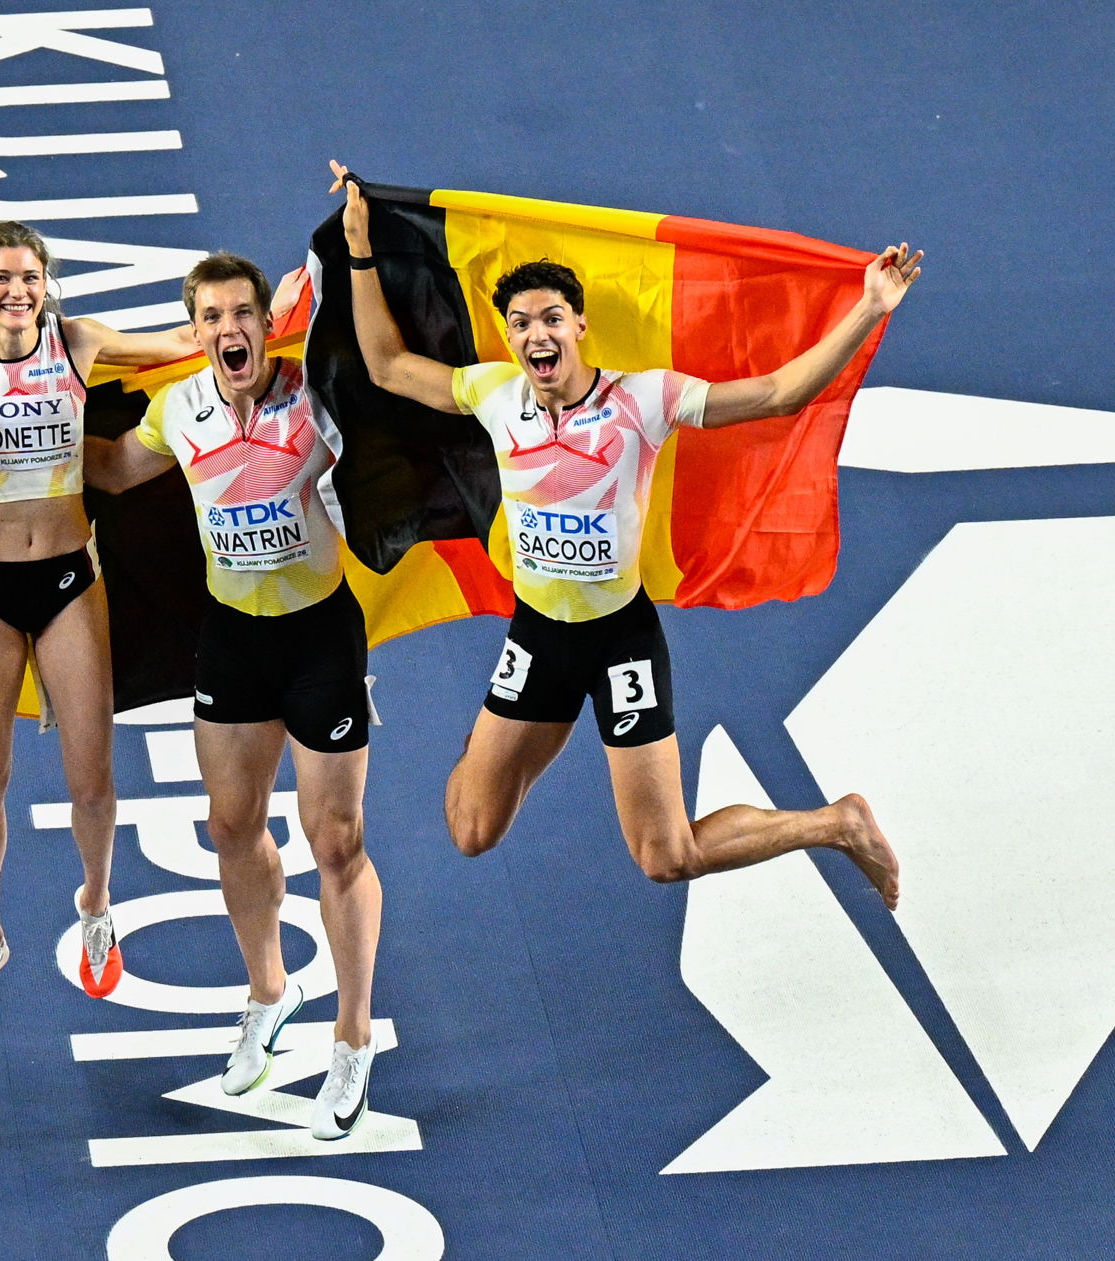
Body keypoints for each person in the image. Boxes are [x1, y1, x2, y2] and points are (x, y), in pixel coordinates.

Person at [327, 162, 914, 908]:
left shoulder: (645, 399)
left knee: (667, 856)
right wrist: (358, 246)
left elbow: (778, 393)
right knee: (471, 829)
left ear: (578, 326)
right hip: (538, 636)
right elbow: (384, 365)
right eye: (520, 323)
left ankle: (836, 823)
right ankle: (515, 732)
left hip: (619, 642)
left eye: (549, 318)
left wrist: (869, 309)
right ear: (510, 340)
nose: (536, 334)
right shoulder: (494, 393)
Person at [86, 253, 383, 1140]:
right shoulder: (179, 410)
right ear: (196, 330)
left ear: (267, 323)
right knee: (229, 825)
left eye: (244, 313)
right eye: (211, 317)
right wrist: (6, 420)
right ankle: (270, 990)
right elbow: (110, 471)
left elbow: (389, 393)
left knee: (338, 840)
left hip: (320, 638)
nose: (229, 330)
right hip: (233, 641)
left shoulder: (315, 399)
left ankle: (353, 1036)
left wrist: (357, 258)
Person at [0, 222, 196, 1023]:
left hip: (68, 580)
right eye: (2, 277)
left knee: (92, 776)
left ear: (47, 284)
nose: (18, 290)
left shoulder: (80, 341)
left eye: (30, 276)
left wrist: (285, 311)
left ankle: (96, 904)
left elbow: (189, 341)